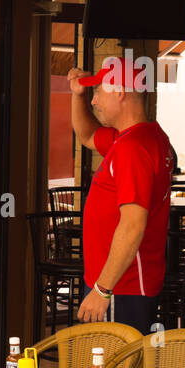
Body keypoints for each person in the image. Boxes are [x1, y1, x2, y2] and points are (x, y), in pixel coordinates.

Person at [68, 62, 174, 335]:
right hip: (120, 284)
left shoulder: (132, 149)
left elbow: (133, 224)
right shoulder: (140, 136)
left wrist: (102, 290)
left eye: (98, 93)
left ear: (120, 93)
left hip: (121, 286)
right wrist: (77, 95)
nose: (94, 101)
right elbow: (87, 135)